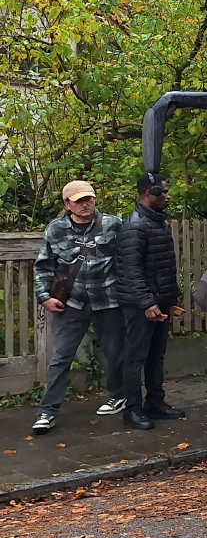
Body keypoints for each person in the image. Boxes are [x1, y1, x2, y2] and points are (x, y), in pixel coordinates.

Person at [30, 181, 128, 434]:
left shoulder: (113, 224)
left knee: (115, 353)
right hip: (72, 304)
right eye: (79, 201)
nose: (85, 204)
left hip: (108, 300)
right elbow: (44, 266)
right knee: (61, 356)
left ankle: (118, 396)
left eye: (89, 199)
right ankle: (47, 411)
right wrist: (44, 297)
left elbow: (128, 259)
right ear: (67, 204)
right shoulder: (56, 229)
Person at [117, 172, 186, 431]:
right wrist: (147, 303)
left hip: (159, 301)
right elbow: (131, 270)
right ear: (149, 193)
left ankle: (155, 402)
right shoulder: (135, 227)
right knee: (136, 357)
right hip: (141, 304)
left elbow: (161, 266)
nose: (168, 196)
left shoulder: (155, 222)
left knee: (156, 355)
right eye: (163, 192)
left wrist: (170, 298)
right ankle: (132, 409)